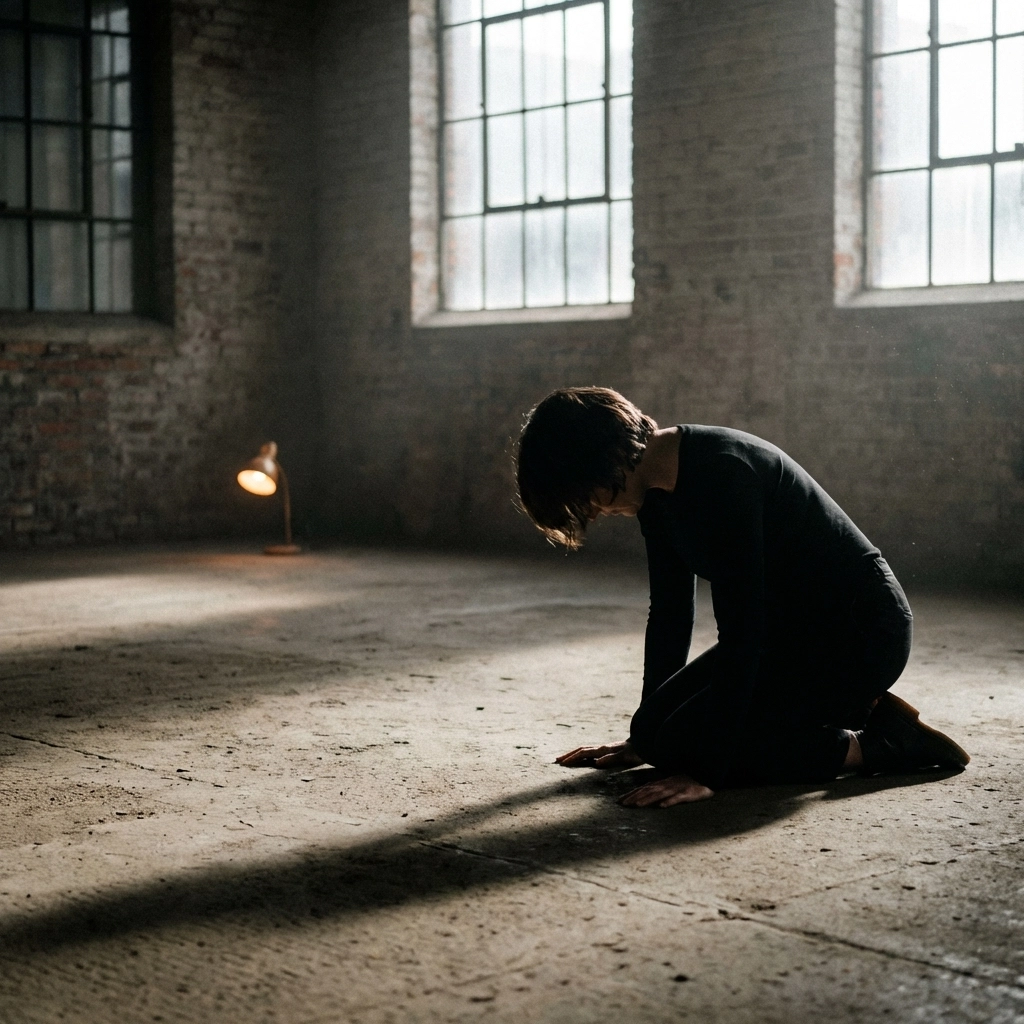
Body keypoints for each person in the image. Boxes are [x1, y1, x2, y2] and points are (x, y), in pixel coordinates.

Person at [515, 387, 969, 809]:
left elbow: (743, 630)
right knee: (662, 738)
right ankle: (845, 708)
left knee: (709, 749)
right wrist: (645, 738)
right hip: (788, 636)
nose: (592, 511)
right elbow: (671, 613)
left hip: (860, 635)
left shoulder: (723, 471)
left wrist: (708, 772)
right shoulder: (655, 494)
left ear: (602, 459)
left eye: (583, 496)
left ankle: (882, 743)